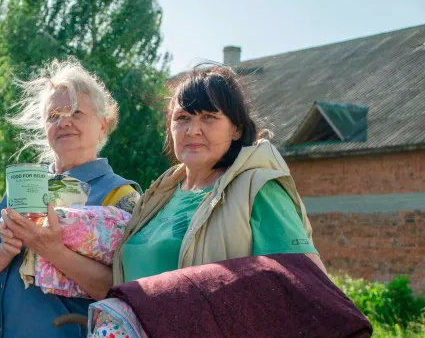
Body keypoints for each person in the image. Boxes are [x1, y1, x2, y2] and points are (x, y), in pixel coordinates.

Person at [0, 58, 141, 338]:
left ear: (103, 125)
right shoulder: (18, 193)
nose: (63, 122)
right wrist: (6, 250)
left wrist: (52, 250)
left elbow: (125, 293)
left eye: (76, 112)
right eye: (53, 115)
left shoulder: (121, 197)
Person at [113, 63, 328, 283]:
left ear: (237, 129)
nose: (193, 130)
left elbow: (310, 284)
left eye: (208, 117)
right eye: (183, 118)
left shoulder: (258, 190)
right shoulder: (159, 194)